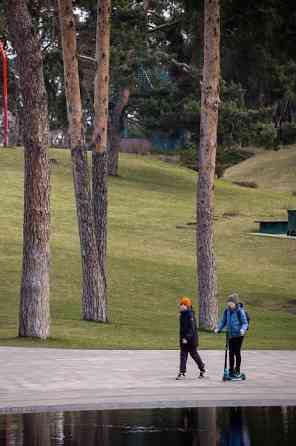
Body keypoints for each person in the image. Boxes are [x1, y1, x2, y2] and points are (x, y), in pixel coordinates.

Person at [215, 293, 248, 377]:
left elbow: (245, 323)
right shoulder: (227, 311)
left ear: (235, 303)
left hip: (239, 335)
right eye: (228, 303)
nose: (229, 305)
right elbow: (223, 321)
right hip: (230, 335)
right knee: (231, 353)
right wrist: (219, 328)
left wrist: (242, 329)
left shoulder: (240, 311)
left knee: (237, 352)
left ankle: (237, 370)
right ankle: (231, 370)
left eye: (231, 303)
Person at [176, 296, 207, 380]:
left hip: (191, 340)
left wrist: (186, 338)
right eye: (181, 304)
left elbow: (192, 328)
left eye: (183, 304)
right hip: (183, 340)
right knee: (183, 355)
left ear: (187, 306)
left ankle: (202, 368)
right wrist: (182, 339)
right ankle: (182, 372)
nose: (181, 306)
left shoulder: (190, 315)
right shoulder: (182, 314)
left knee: (194, 355)